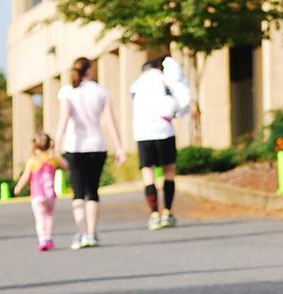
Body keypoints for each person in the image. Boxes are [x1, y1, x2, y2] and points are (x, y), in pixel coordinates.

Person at [54, 57, 127, 250]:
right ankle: (92, 234)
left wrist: (57, 145)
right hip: (97, 146)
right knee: (92, 191)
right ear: (89, 71)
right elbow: (110, 121)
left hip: (74, 147)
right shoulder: (101, 91)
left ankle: (81, 233)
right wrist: (119, 147)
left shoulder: (68, 92)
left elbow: (63, 119)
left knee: (78, 193)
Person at [130, 56, 191, 230]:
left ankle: (154, 213)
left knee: (147, 174)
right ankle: (168, 212)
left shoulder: (136, 85)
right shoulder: (166, 79)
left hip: (143, 133)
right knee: (169, 171)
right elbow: (182, 99)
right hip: (164, 131)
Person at [13, 133, 65, 252]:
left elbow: (26, 176)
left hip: (37, 195)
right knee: (49, 216)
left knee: (40, 218)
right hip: (50, 194)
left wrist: (18, 187)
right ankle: (48, 237)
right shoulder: (53, 160)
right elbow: (67, 166)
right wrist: (57, 154)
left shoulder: (32, 161)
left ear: (35, 147)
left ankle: (42, 240)